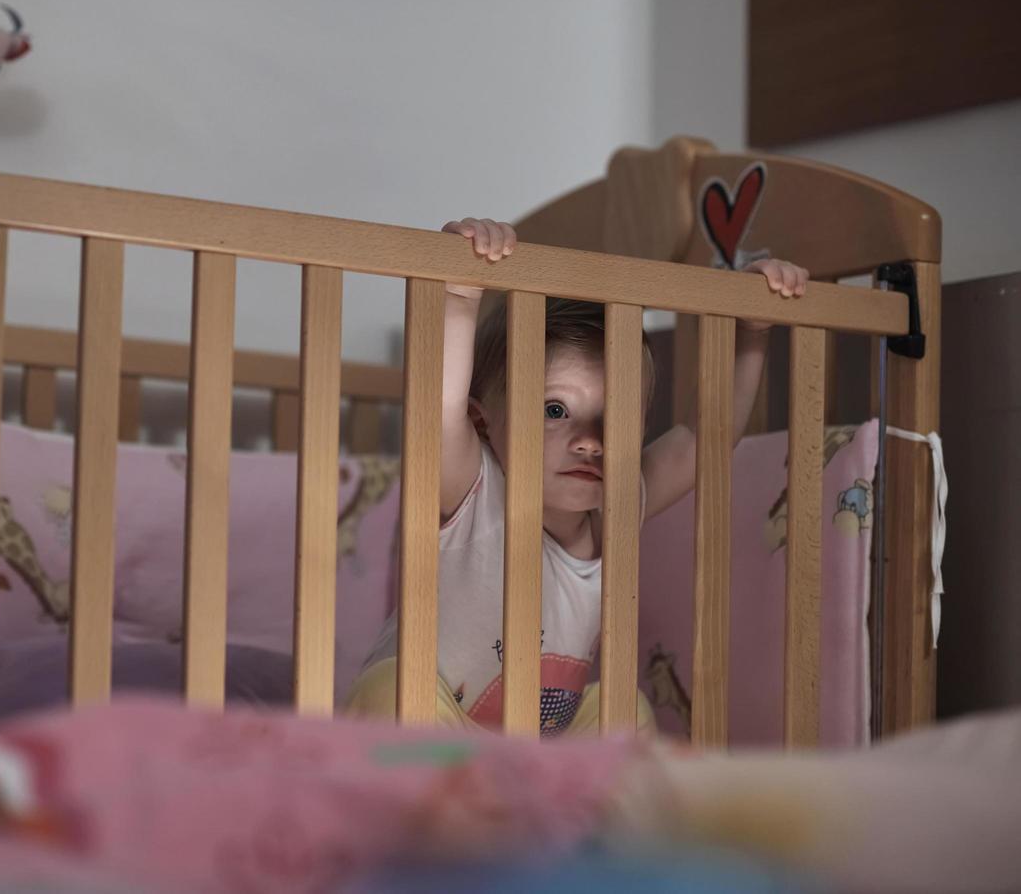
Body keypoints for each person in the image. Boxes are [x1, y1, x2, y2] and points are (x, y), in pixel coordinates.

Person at [345, 217, 810, 734]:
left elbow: (708, 438)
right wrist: (459, 292)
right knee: (393, 686)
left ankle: (570, 808)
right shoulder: (472, 489)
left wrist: (752, 332)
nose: (591, 440)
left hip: (533, 754)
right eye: (555, 410)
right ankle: (437, 803)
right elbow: (441, 408)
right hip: (436, 737)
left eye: (613, 417)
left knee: (621, 710)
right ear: (483, 423)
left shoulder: (615, 508)